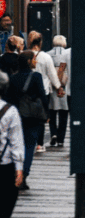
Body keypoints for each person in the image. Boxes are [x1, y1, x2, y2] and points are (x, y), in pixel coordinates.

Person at [3, 52, 44, 190]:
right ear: (28, 61)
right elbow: (42, 96)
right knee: (29, 146)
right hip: (33, 116)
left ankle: (15, 173)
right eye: (34, 59)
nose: (36, 61)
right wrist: (47, 114)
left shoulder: (13, 78)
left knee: (15, 144)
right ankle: (24, 176)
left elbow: (8, 98)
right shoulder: (36, 77)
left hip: (17, 116)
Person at [0, 70, 24, 216]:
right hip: (5, 163)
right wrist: (19, 168)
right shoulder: (10, 111)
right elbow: (16, 142)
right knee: (6, 203)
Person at [46, 36, 69, 148]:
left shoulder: (47, 54)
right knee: (64, 114)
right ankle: (61, 139)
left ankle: (53, 133)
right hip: (65, 86)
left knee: (52, 112)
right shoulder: (67, 53)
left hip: (52, 85)